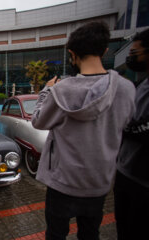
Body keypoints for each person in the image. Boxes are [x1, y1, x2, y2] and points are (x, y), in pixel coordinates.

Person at [31, 22, 136, 240]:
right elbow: (126, 124)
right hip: (98, 183)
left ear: (72, 53)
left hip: (62, 182)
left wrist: (47, 90)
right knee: (90, 234)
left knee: (56, 234)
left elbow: (38, 121)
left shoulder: (61, 90)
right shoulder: (126, 89)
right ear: (105, 51)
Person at [114, 28, 149, 240]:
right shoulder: (142, 84)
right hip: (127, 172)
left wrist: (120, 123)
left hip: (143, 180)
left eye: (135, 53)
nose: (131, 57)